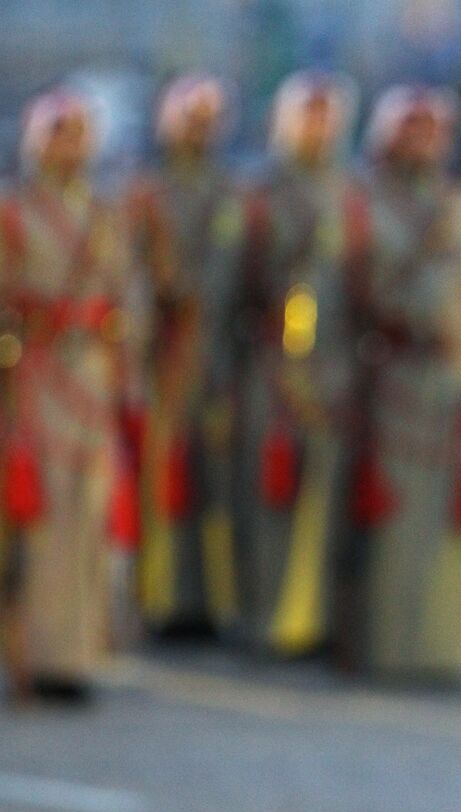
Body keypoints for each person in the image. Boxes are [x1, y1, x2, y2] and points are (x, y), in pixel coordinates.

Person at [0, 90, 145, 703]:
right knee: (41, 515)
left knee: (88, 514)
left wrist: (127, 370)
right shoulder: (13, 212)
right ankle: (40, 654)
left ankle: (81, 649)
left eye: (80, 134)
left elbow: (128, 297)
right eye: (59, 134)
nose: (71, 146)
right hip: (33, 379)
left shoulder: (106, 214)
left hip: (92, 380)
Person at [349, 85, 461, 680]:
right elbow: (326, 299)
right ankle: (385, 645)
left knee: (446, 521)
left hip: (451, 379)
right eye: (410, 128)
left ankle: (444, 649)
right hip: (388, 372)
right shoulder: (358, 206)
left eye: (433, 129)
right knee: (392, 516)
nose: (423, 140)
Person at [237, 71, 358, 657]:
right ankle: (267, 618)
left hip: (336, 363)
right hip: (272, 364)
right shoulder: (258, 195)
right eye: (305, 115)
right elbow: (227, 290)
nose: (317, 127)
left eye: (325, 116)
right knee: (271, 494)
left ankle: (319, 619)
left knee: (327, 494)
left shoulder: (353, 192)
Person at [129, 73, 243, 637]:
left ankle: (212, 604)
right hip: (164, 357)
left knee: (214, 479)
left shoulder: (233, 196)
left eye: (208, 120)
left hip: (221, 355)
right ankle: (162, 600)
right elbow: (126, 274)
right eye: (189, 119)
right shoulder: (144, 195)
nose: (199, 130)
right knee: (162, 477)